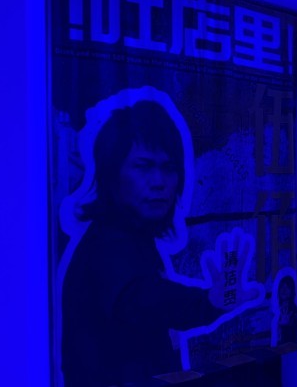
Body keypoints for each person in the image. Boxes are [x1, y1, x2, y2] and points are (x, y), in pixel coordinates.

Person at [61, 100, 226, 387]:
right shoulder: (108, 243)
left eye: (169, 168)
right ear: (112, 174)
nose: (159, 182)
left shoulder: (132, 236)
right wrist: (207, 301)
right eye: (143, 166)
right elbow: (140, 300)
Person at [276, 276, 297, 345]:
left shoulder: (292, 308)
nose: (284, 290)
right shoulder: (279, 307)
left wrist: (285, 325)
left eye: (287, 287)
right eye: (282, 287)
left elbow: (292, 335)